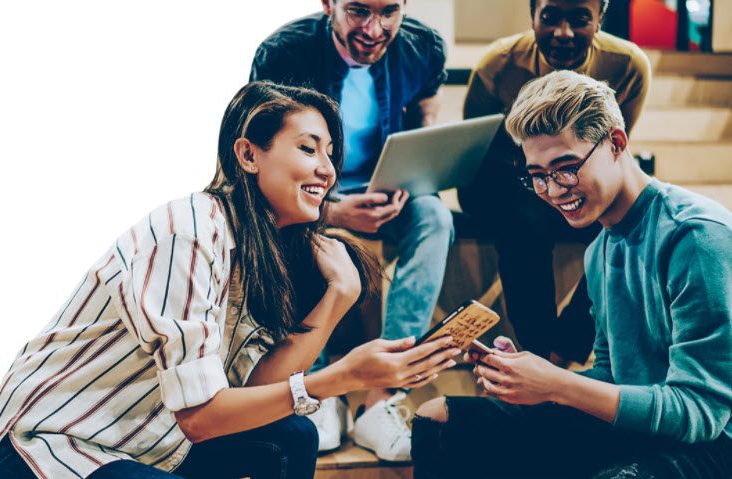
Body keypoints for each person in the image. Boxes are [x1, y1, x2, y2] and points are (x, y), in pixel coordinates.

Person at [0, 81, 461, 479]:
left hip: (150, 439)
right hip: (51, 445)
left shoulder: (274, 247)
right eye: (309, 149)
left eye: (331, 153)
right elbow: (203, 418)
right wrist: (346, 377)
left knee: (293, 435)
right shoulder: (191, 232)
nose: (328, 170)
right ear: (248, 156)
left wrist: (340, 296)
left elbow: (260, 387)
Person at [411, 70, 732, 478]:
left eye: (565, 167)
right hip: (640, 427)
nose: (554, 190)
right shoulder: (600, 249)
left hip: (712, 443)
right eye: (538, 176)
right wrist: (531, 378)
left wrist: (556, 385)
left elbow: (700, 412)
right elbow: (612, 378)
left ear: (616, 143)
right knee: (438, 419)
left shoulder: (695, 237)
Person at [250, 0, 453, 461]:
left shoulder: (424, 47)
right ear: (328, 4)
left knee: (436, 218)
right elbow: (265, 173)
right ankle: (315, 392)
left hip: (388, 188)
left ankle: (383, 394)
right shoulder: (283, 54)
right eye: (358, 11)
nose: (373, 28)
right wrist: (333, 211)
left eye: (388, 12)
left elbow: (426, 111)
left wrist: (415, 172)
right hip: (311, 195)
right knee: (294, 226)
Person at [458, 0, 651, 362]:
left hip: (577, 175)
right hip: (507, 179)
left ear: (600, 20)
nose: (563, 33)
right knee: (523, 223)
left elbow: (612, 150)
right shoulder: (497, 64)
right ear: (532, 17)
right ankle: (537, 352)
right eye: (549, 18)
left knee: (628, 221)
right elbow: (476, 152)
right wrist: (540, 179)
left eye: (579, 19)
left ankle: (564, 350)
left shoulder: (629, 65)